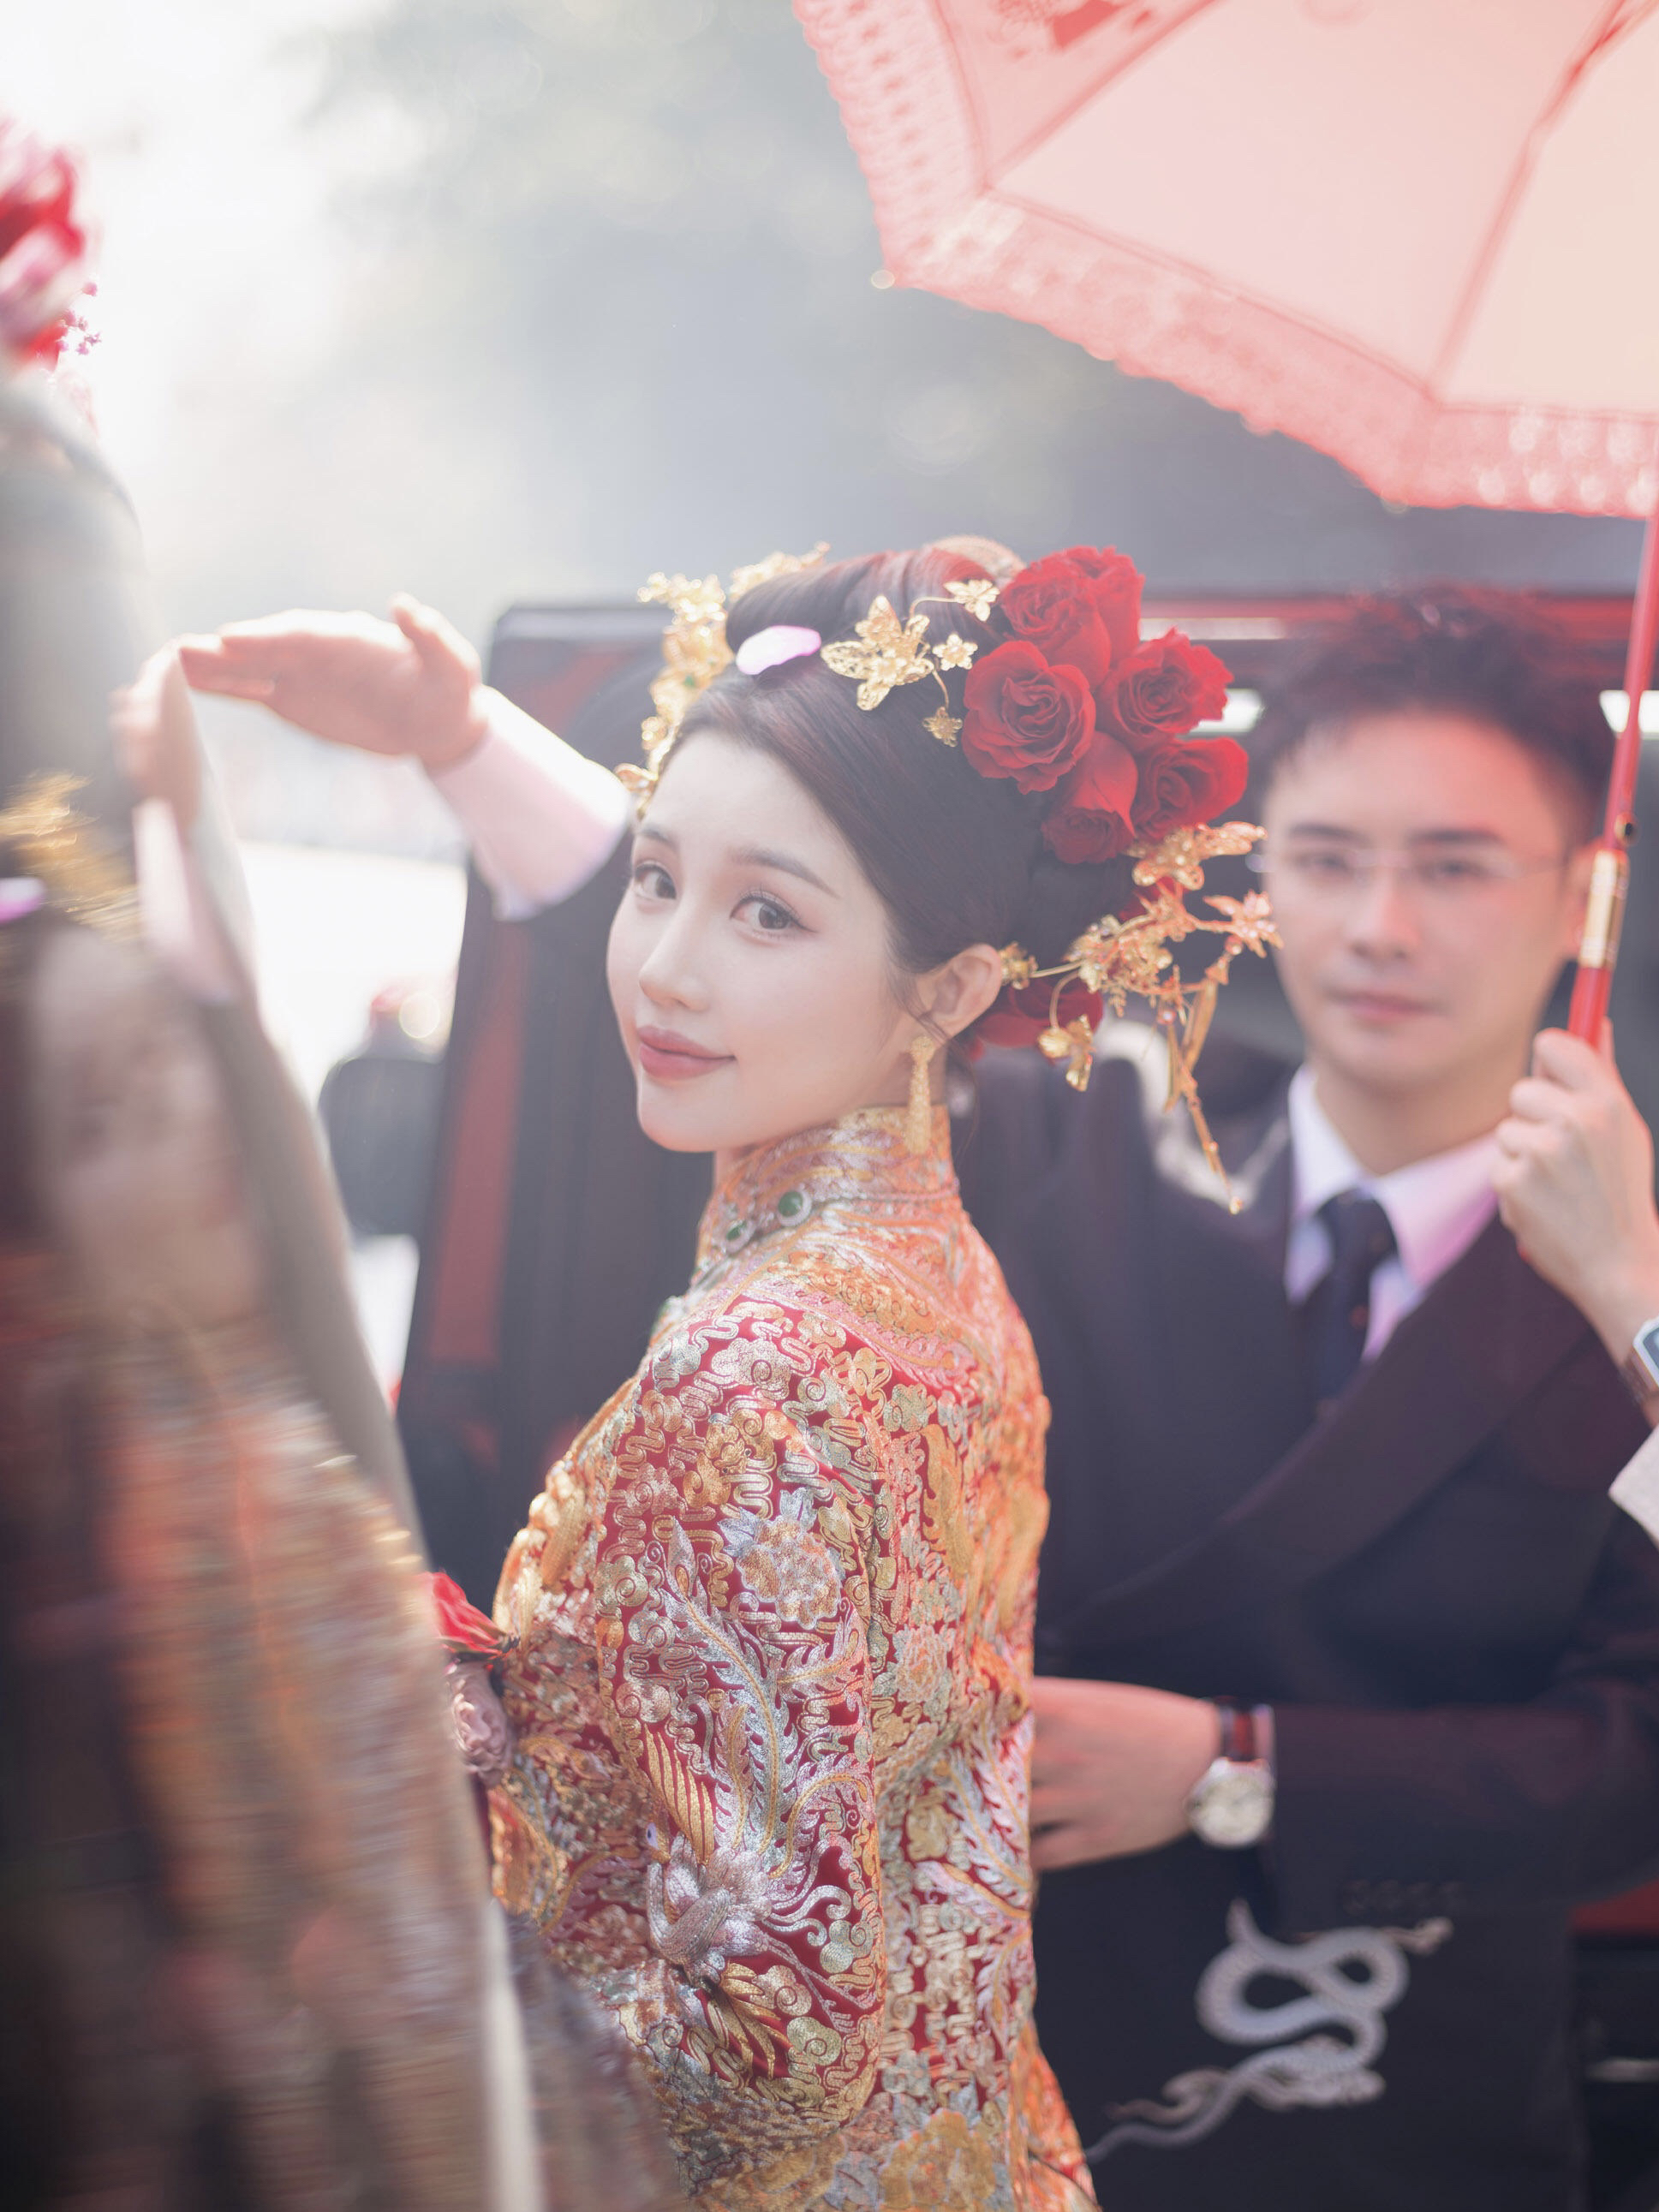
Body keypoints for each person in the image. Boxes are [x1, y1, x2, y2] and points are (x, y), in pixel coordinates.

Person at [182, 538, 1266, 2208]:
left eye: (768, 911)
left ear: (951, 986)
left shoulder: (762, 1364)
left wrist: (394, 1984)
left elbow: (772, 2041)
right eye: (655, 878)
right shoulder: (937, 1277)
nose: (668, 965)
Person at [961, 590, 1659, 2212]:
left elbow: (1637, 1758)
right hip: (1047, 2072)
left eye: (1455, 867)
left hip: (1412, 2099)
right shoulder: (1095, 1156)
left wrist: (1242, 1767)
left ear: (1587, 892)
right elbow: (803, 1009)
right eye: (1326, 859)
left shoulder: (1638, 1276)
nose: (1378, 928)